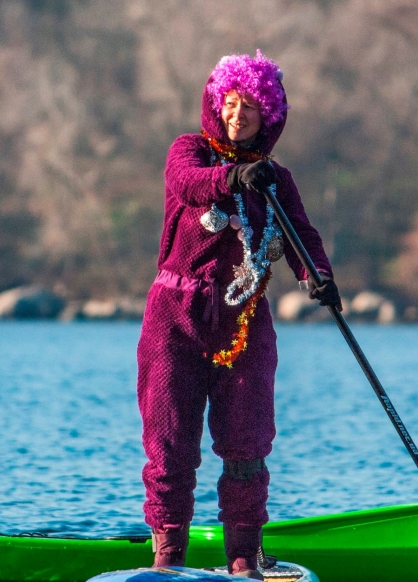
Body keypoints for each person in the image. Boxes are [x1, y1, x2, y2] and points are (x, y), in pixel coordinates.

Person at [136, 50, 341, 579]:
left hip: (245, 321)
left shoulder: (277, 180)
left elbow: (301, 234)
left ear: (267, 115)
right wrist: (233, 177)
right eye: (230, 102)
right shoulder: (188, 150)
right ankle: (168, 558)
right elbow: (188, 184)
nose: (237, 114)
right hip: (175, 318)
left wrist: (317, 275)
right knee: (170, 447)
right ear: (216, 104)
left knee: (247, 446)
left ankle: (244, 559)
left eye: (250, 106)